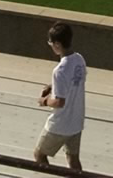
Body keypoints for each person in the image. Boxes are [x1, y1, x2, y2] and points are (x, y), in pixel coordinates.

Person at [32, 21, 87, 171]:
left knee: (39, 154)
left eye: (50, 42)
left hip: (60, 124)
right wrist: (52, 86)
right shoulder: (79, 60)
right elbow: (75, 81)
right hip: (76, 122)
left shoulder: (59, 70)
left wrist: (44, 101)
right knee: (73, 160)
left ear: (57, 44)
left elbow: (59, 102)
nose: (49, 45)